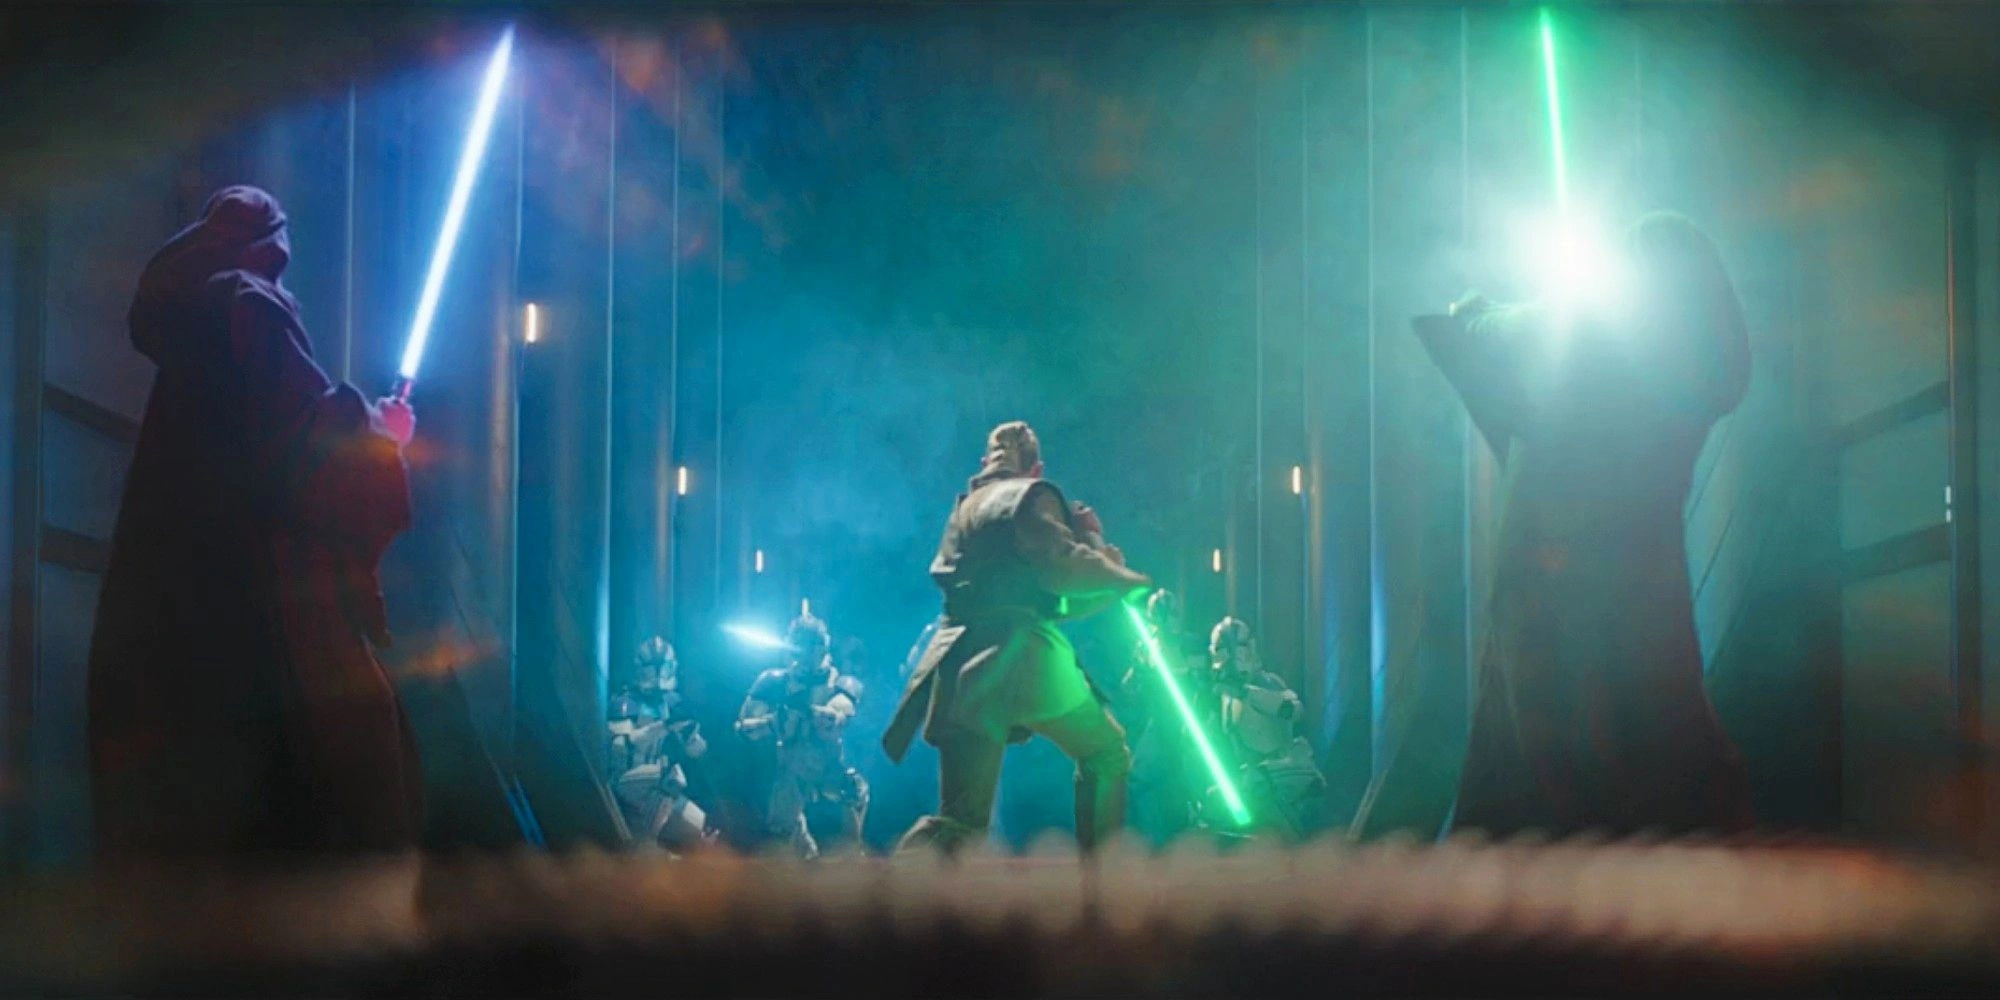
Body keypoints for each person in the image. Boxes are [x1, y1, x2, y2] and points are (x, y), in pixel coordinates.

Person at [88, 186, 422, 859]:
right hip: (252, 618)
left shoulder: (194, 334)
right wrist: (381, 431)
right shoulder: (245, 304)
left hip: (169, 628)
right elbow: (304, 444)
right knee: (338, 787)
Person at [1412, 211, 1754, 838]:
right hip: (1644, 572)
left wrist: (1475, 307)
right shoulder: (1698, 366)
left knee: (1542, 749)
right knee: (1660, 729)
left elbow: (1495, 333)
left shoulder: (1592, 342)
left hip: (1551, 573)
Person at [884, 420, 1153, 855]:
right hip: (1026, 656)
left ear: (985, 462)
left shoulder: (964, 512)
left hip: (962, 664)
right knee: (1105, 755)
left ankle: (891, 886)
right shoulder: (1031, 496)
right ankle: (1101, 877)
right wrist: (1122, 575)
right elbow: (1064, 568)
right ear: (1036, 467)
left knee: (961, 820)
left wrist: (1104, 571)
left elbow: (1038, 597)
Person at [736, 613, 868, 859]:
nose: (804, 657)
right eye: (799, 647)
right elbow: (744, 726)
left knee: (853, 791)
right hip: (790, 765)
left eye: (811, 648)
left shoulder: (841, 683)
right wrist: (772, 723)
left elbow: (840, 712)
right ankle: (806, 858)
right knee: (782, 828)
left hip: (827, 764)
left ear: (822, 648)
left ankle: (852, 858)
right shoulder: (774, 681)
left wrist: (828, 717)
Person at [1199, 618, 1325, 841]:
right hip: (1253, 774)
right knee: (1213, 802)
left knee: (1256, 788)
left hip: (1287, 767)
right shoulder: (1225, 697)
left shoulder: (1267, 682)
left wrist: (1247, 692)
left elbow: (1293, 710)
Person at [609, 637, 714, 852]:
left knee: (698, 825)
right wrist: (663, 727)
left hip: (657, 782)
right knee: (669, 776)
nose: (657, 676)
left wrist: (690, 735)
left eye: (663, 669)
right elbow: (620, 746)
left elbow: (698, 751)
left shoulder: (671, 703)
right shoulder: (626, 702)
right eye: (652, 670)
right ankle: (646, 844)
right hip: (626, 779)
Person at [1120, 590, 1209, 845]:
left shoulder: (1191, 645)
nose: (1171, 620)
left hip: (1193, 727)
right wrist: (1138, 671)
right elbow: (1128, 690)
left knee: (1196, 785)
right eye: (1163, 614)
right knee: (1137, 780)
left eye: (1173, 613)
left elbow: (1208, 685)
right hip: (1161, 726)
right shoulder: (1146, 649)